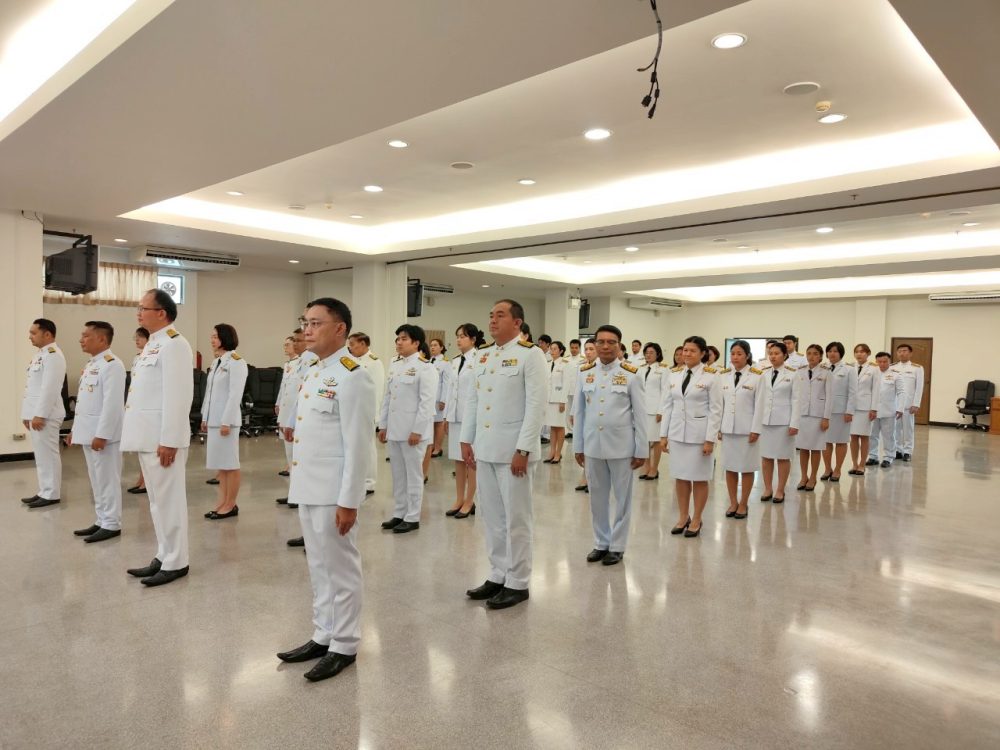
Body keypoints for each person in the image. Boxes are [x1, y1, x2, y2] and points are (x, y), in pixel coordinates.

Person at [276, 297, 375, 682]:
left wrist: (349, 501)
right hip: (309, 486)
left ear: (340, 329)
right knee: (318, 566)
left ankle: (345, 643)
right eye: (305, 322)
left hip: (334, 491)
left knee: (341, 568)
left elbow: (358, 445)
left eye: (316, 323)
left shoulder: (353, 375)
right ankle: (323, 633)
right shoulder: (315, 371)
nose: (307, 329)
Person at [461, 299, 547, 609]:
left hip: (514, 452)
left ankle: (518, 582)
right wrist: (466, 439)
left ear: (517, 322)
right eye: (491, 315)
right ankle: (498, 574)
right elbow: (474, 400)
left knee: (517, 520)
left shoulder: (531, 354)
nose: (493, 321)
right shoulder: (483, 355)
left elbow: (536, 405)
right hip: (485, 448)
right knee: (492, 518)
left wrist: (523, 448)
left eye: (500, 315)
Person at [121, 289, 194, 587]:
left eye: (144, 308)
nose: (138, 313)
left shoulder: (175, 344)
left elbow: (178, 396)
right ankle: (164, 554)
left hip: (163, 440)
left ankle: (177, 561)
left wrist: (170, 440)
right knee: (157, 503)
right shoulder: (154, 343)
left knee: (169, 502)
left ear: (161, 313)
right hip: (147, 436)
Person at [574, 325, 646, 565]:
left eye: (611, 342)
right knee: (597, 498)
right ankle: (601, 542)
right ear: (594, 344)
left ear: (619, 345)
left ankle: (617, 545)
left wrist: (641, 449)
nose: (605, 346)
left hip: (622, 447)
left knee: (623, 499)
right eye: (601, 342)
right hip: (593, 446)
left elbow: (640, 415)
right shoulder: (584, 372)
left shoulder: (631, 373)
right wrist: (578, 446)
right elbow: (579, 412)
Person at [659, 335, 723, 538]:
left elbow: (716, 410)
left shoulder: (712, 375)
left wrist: (710, 439)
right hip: (677, 433)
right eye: (685, 350)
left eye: (692, 350)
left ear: (703, 353)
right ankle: (683, 516)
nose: (687, 354)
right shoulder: (674, 374)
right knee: (680, 477)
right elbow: (668, 406)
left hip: (699, 436)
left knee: (700, 478)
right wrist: (663, 435)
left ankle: (696, 518)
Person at [67, 321, 126, 541]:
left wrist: (102, 435)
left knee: (108, 480)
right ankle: (102, 519)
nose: (81, 340)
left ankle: (112, 523)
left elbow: (112, 405)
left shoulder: (113, 365)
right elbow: (84, 403)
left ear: (101, 339)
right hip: (88, 433)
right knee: (96, 480)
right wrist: (75, 430)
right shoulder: (93, 363)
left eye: (86, 336)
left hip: (103, 437)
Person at [378, 324, 437, 534]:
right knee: (398, 475)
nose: (399, 342)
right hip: (395, 430)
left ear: (416, 343)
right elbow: (388, 397)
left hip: (413, 432)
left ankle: (412, 517)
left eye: (403, 339)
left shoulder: (425, 368)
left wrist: (417, 431)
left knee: (414, 475)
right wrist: (383, 425)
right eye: (397, 339)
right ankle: (399, 512)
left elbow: (426, 403)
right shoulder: (395, 365)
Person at [200, 324, 248, 519]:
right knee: (222, 466)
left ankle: (231, 504)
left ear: (225, 338)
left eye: (215, 336)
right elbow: (209, 393)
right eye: (211, 336)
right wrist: (205, 417)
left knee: (230, 464)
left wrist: (226, 421)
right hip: (214, 420)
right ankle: (222, 501)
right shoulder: (216, 362)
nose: (211, 340)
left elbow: (235, 395)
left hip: (226, 422)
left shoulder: (237, 362)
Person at [20, 318, 66, 508]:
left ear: (47, 334)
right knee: (41, 455)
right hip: (36, 414)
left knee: (48, 455)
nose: (30, 336)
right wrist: (27, 414)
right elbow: (32, 388)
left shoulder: (54, 355)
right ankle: (44, 490)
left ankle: (52, 493)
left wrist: (40, 415)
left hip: (47, 415)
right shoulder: (41, 355)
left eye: (33, 333)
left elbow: (50, 388)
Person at [719, 340, 764, 520]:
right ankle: (733, 502)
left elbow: (760, 405)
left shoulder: (757, 376)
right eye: (733, 353)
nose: (735, 357)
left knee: (746, 468)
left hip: (747, 430)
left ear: (747, 355)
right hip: (728, 429)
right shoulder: (723, 375)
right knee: (729, 467)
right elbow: (720, 404)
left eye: (739, 354)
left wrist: (756, 429)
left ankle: (743, 503)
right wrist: (718, 427)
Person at [752, 341, 800, 505]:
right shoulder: (763, 373)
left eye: (776, 353)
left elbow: (796, 400)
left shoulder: (793, 374)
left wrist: (794, 423)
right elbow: (758, 400)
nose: (773, 356)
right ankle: (767, 488)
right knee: (766, 457)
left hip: (784, 422)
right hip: (765, 421)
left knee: (783, 457)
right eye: (770, 353)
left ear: (785, 355)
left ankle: (780, 489)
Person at [445, 323, 485, 518]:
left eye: (463, 336)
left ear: (473, 339)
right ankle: (459, 498)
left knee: (471, 461)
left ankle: (470, 500)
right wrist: (447, 417)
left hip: (471, 418)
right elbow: (450, 390)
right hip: (455, 417)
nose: (459, 340)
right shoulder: (454, 361)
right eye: (457, 336)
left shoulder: (480, 359)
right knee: (458, 460)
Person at [277, 328, 317, 513]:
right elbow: (288, 390)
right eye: (294, 340)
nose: (295, 343)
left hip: (300, 417)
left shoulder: (311, 360)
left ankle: (300, 494)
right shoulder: (297, 361)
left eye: (298, 340)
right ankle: (294, 492)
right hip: (289, 416)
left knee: (299, 459)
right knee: (291, 457)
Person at [348, 332, 385, 495]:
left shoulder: (374, 362)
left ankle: (369, 482)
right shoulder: (352, 361)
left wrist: (374, 415)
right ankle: (356, 479)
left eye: (352, 344)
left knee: (368, 447)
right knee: (353, 447)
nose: (350, 347)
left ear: (363, 344)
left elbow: (377, 391)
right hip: (352, 410)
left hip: (366, 412)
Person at [795, 345, 829, 492]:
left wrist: (826, 418)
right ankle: (803, 476)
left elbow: (830, 397)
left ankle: (813, 476)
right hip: (802, 414)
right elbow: (796, 395)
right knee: (803, 448)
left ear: (820, 356)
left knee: (815, 448)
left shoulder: (826, 372)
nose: (811, 356)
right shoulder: (799, 371)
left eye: (815, 354)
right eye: (809, 353)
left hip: (818, 415)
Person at [820, 341, 856, 482]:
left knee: (841, 441)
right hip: (825, 411)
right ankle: (827, 468)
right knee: (826, 441)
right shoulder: (823, 367)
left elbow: (853, 392)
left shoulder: (849, 369)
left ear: (841, 353)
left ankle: (837, 469)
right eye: (829, 351)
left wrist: (850, 411)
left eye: (835, 351)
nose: (832, 354)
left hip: (841, 411)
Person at [568, 338, 598, 493]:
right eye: (586, 349)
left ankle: (591, 478)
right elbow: (577, 393)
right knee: (584, 445)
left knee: (593, 447)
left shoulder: (602, 368)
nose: (588, 352)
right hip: (584, 414)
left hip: (596, 414)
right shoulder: (582, 368)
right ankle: (585, 476)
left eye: (591, 349)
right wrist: (573, 412)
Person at [867, 352, 905, 468]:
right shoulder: (871, 373)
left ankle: (888, 457)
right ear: (876, 361)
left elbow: (901, 392)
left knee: (888, 435)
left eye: (885, 361)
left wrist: (900, 408)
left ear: (889, 361)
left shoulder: (896, 375)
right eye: (880, 362)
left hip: (888, 410)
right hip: (872, 410)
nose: (882, 364)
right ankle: (873, 456)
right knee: (872, 435)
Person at [848, 344, 880, 475]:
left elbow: (876, 389)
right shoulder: (850, 367)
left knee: (864, 436)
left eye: (862, 352)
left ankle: (862, 464)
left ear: (868, 353)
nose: (859, 354)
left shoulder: (874, 368)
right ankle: (854, 464)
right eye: (856, 352)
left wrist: (874, 409)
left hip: (866, 408)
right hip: (851, 407)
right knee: (853, 437)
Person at [638, 342, 667, 480]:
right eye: (646, 353)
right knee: (644, 440)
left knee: (655, 441)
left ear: (658, 354)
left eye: (651, 353)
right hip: (641, 409)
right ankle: (646, 466)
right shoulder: (641, 369)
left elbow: (665, 391)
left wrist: (661, 411)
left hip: (655, 410)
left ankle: (654, 469)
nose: (648, 355)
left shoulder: (663, 370)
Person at [890, 344, 924, 462]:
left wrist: (916, 403)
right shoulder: (892, 367)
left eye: (904, 351)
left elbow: (919, 387)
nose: (902, 353)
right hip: (895, 403)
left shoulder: (917, 368)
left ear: (910, 353)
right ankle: (898, 450)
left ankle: (908, 451)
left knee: (908, 429)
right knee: (895, 429)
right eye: (899, 351)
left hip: (908, 404)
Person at [126, 327, 150, 495]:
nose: (137, 340)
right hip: (135, 406)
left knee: (146, 447)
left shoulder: (151, 356)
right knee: (140, 447)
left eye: (140, 337)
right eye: (136, 337)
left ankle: (146, 481)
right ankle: (142, 478)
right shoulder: (137, 358)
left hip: (146, 408)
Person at [543, 341, 570, 464]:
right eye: (551, 349)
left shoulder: (565, 364)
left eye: (555, 349)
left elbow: (566, 383)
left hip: (559, 400)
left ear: (561, 351)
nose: (552, 351)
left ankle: (558, 453)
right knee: (552, 426)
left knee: (559, 426)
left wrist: (563, 401)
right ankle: (552, 452)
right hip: (549, 400)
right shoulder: (548, 364)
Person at [428, 337, 453, 459]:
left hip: (438, 399)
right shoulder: (428, 361)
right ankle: (432, 446)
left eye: (435, 345)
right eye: (431, 345)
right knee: (431, 424)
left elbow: (447, 383)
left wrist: (443, 400)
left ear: (441, 348)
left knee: (438, 424)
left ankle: (438, 448)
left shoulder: (445, 363)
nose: (432, 347)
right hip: (429, 398)